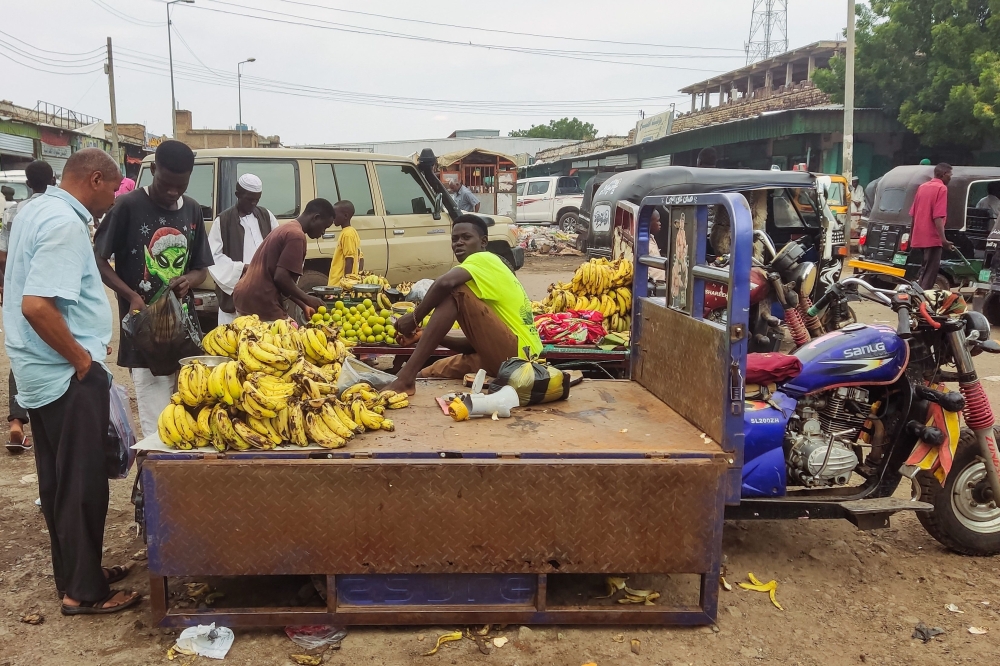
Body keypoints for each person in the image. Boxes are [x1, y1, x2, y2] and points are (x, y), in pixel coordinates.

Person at [3, 148, 141, 615]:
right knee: (83, 485)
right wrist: (82, 360)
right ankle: (83, 594)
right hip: (64, 375)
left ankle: (77, 574)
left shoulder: (36, 208)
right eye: (115, 189)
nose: (115, 200)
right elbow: (37, 305)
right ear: (96, 180)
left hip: (38, 373)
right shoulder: (64, 224)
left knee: (60, 481)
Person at [94, 140, 212, 438]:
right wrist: (131, 295)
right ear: (153, 169)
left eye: (180, 185)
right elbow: (98, 259)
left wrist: (190, 280)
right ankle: (153, 484)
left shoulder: (193, 210)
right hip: (145, 337)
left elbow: (201, 268)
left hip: (185, 335)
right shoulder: (128, 206)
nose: (173, 191)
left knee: (189, 419)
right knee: (158, 424)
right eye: (166, 183)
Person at [384, 214, 542, 396]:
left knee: (455, 290)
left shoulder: (485, 258)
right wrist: (425, 334)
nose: (458, 243)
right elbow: (473, 346)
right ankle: (406, 378)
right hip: (501, 358)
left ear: (483, 242)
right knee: (428, 372)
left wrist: (413, 318)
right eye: (454, 239)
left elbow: (444, 284)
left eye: (466, 237)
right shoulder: (481, 278)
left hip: (520, 360)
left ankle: (405, 379)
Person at [0, 160, 56, 453]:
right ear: (54, 179)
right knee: (51, 357)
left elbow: (2, 254)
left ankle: (16, 424)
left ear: (27, 182)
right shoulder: (58, 211)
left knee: (21, 354)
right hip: (46, 294)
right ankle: (47, 427)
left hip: (15, 291)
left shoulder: (14, 210)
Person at [232, 198, 335, 321]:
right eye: (324, 227)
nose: (323, 232)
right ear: (316, 218)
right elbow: (281, 278)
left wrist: (304, 304)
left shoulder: (287, 228)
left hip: (246, 296)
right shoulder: (296, 235)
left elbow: (281, 281)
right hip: (261, 300)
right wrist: (308, 298)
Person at [207, 173, 278, 325]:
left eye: (256, 200)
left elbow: (278, 246)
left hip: (263, 292)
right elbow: (213, 257)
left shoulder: (267, 216)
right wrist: (243, 269)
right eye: (249, 199)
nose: (253, 203)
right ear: (237, 194)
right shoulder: (223, 221)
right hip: (236, 293)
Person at [910, 163, 954, 290]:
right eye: (950, 175)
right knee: (930, 275)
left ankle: (917, 299)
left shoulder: (922, 187)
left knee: (923, 271)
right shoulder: (942, 189)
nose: (951, 177)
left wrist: (912, 236)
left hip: (919, 238)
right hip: (932, 239)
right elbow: (938, 216)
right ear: (944, 174)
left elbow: (913, 214)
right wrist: (943, 240)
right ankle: (922, 303)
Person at [326, 200, 364, 286]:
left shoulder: (347, 234)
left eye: (335, 215)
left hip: (339, 284)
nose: (333, 218)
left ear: (345, 216)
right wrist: (359, 275)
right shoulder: (352, 231)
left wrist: (347, 282)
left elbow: (349, 259)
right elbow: (361, 258)